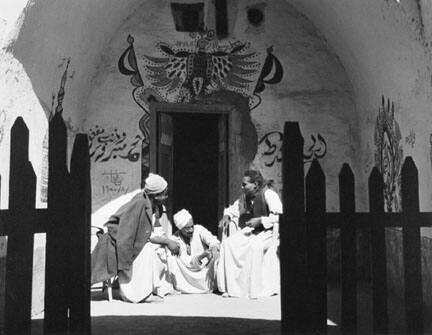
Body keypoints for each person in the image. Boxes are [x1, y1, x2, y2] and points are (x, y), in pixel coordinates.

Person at [91, 173, 180, 303]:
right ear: (156, 194)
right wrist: (125, 257)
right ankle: (135, 294)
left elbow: (150, 231)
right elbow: (126, 233)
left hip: (137, 240)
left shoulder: (153, 205)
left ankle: (156, 288)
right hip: (120, 240)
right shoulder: (139, 203)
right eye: (164, 193)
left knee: (158, 250)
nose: (165, 197)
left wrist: (165, 241)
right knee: (148, 251)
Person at [216, 169, 282, 299]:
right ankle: (232, 287)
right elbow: (233, 209)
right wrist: (226, 217)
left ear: (256, 184)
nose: (242, 187)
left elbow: (280, 216)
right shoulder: (245, 197)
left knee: (254, 247)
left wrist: (261, 220)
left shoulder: (268, 194)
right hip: (253, 231)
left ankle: (254, 288)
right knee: (229, 244)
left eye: (245, 184)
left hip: (268, 232)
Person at [166, 209, 220, 294]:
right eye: (187, 228)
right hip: (187, 276)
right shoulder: (174, 240)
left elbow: (213, 240)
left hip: (205, 271)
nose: (191, 230)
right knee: (172, 258)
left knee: (220, 252)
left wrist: (213, 248)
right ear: (180, 228)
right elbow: (186, 262)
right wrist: (202, 255)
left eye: (192, 226)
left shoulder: (199, 229)